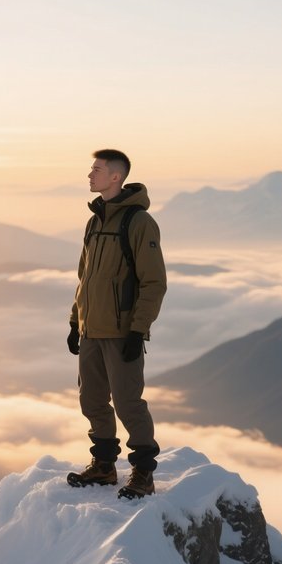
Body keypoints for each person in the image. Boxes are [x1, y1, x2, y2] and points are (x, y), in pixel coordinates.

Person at [66, 149, 167, 499]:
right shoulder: (94, 221)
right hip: (91, 329)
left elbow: (154, 282)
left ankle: (142, 472)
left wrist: (138, 330)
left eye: (96, 170)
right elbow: (85, 277)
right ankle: (105, 466)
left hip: (122, 330)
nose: (89, 175)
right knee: (91, 400)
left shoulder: (138, 223)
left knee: (128, 403)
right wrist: (74, 321)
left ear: (115, 177)